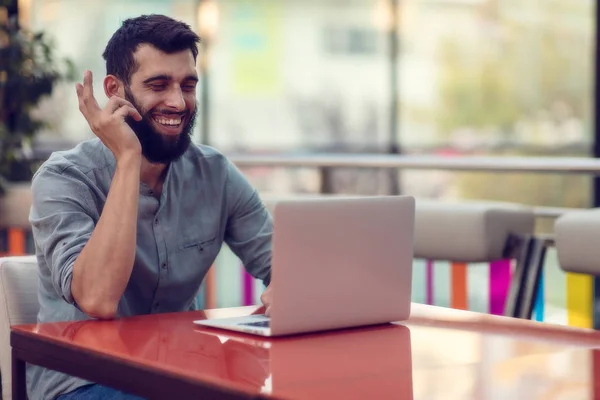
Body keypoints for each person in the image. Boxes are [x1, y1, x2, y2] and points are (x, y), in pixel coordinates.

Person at [27, 14, 273, 400]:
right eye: (158, 85)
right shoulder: (64, 179)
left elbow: (284, 264)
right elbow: (97, 298)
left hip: (179, 373)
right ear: (116, 90)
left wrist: (290, 287)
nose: (178, 102)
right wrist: (128, 158)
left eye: (187, 85)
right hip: (84, 381)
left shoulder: (215, 174)